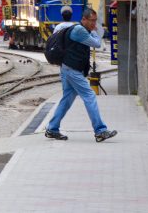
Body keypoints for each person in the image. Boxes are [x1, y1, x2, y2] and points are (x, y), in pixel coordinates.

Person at [44, 7, 117, 143]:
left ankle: (52, 128)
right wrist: (95, 32)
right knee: (89, 96)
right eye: (91, 21)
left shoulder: (80, 29)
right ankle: (100, 131)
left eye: (95, 21)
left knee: (67, 99)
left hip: (68, 68)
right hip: (71, 69)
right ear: (83, 19)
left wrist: (92, 30)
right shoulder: (79, 31)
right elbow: (96, 43)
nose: (94, 24)